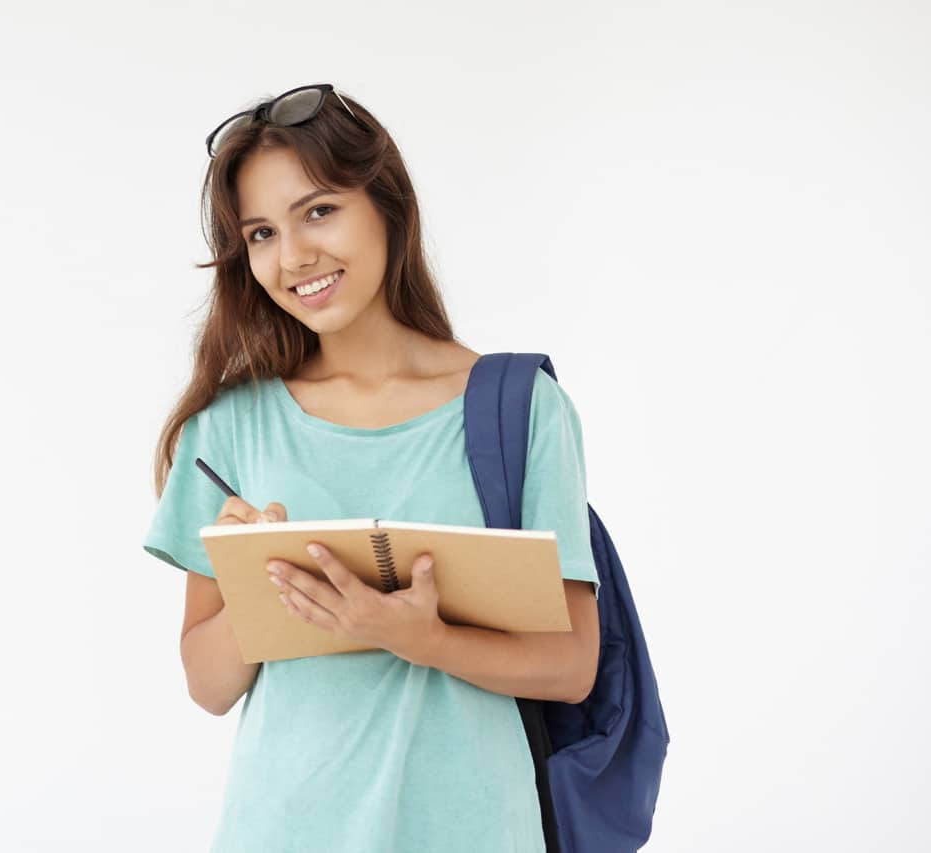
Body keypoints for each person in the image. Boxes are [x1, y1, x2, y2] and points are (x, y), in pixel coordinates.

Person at [142, 83, 601, 853]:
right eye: (260, 232)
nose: (292, 258)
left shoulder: (520, 407)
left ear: (386, 203)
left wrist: (426, 639)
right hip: (283, 830)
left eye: (318, 210)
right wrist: (262, 587)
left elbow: (572, 665)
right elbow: (207, 684)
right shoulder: (230, 426)